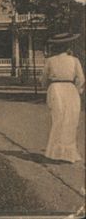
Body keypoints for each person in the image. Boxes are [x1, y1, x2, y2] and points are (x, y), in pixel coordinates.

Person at [41, 32, 85, 163]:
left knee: (58, 119)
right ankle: (67, 155)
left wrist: (47, 88)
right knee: (70, 121)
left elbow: (43, 79)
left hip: (55, 89)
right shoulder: (74, 60)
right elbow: (81, 79)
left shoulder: (50, 61)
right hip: (70, 90)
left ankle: (55, 153)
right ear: (67, 47)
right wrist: (78, 90)